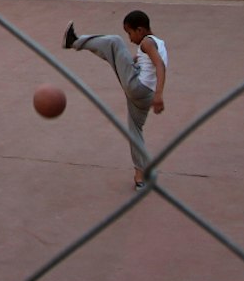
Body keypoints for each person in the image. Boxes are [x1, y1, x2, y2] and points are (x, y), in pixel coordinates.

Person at [66, 10, 168, 189]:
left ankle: (74, 41)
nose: (130, 38)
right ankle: (140, 177)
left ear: (141, 30)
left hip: (138, 87)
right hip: (146, 96)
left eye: (130, 33)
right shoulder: (158, 43)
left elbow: (159, 65)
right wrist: (135, 61)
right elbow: (151, 62)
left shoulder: (146, 42)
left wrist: (160, 95)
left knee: (115, 42)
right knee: (135, 131)